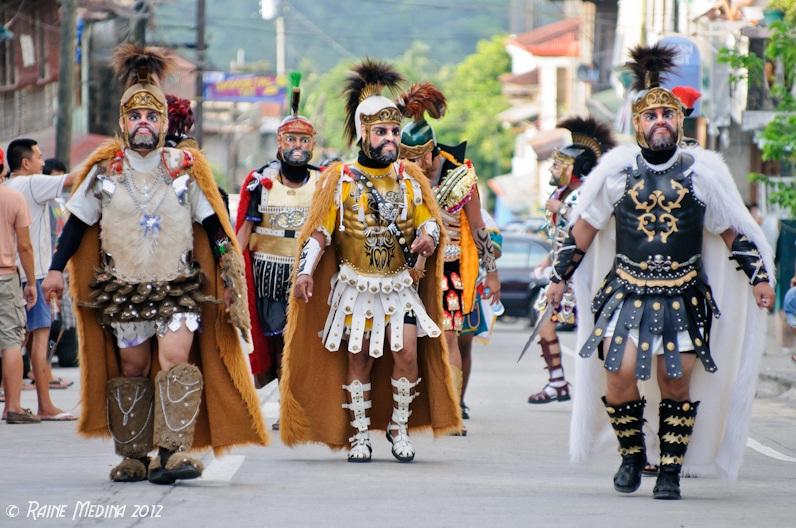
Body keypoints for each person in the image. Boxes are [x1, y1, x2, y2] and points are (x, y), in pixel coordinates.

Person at [548, 43, 775, 500]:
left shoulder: (701, 176)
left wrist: (759, 278)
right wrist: (558, 280)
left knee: (675, 381)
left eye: (667, 116)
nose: (660, 123)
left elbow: (731, 232)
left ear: (679, 123)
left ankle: (670, 470)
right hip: (626, 291)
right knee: (619, 370)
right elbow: (583, 232)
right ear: (638, 125)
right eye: (651, 117)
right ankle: (632, 455)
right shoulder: (615, 175)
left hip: (684, 295)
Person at [41, 44, 267, 484]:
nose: (143, 124)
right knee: (133, 368)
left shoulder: (185, 169)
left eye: (151, 117)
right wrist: (54, 268)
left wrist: (229, 271)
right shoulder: (104, 172)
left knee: (175, 357)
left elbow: (216, 227)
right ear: (123, 123)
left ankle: (173, 451)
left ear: (164, 122)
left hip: (176, 285)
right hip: (123, 287)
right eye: (135, 117)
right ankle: (134, 455)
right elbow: (75, 226)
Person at [279, 60, 460, 463]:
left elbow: (428, 222)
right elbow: (320, 233)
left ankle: (399, 427)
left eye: (394, 131)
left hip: (399, 285)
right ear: (364, 134)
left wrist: (429, 239)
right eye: (381, 132)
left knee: (407, 354)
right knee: (359, 355)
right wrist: (306, 272)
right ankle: (360, 434)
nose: (390, 139)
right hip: (356, 285)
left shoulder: (411, 180)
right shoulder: (338, 180)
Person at [397, 81, 501, 430]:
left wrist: (492, 272)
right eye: (406, 158)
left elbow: (478, 228)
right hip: (408, 266)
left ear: (432, 150)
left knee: (449, 337)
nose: (414, 165)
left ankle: (453, 412)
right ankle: (407, 409)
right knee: (403, 336)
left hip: (452, 266)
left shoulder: (461, 178)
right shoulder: (401, 175)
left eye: (418, 158)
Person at [235, 73, 320, 431]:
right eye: (291, 139)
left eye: (304, 140)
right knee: (280, 343)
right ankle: (289, 406)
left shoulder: (323, 182)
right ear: (279, 144)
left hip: (308, 273)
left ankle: (299, 406)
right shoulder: (260, 182)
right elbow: (242, 233)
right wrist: (230, 266)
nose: (298, 146)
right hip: (268, 275)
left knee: (302, 342)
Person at [527, 117, 615, 405]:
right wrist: (549, 259)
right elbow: (561, 237)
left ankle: (605, 385)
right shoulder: (559, 193)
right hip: (564, 272)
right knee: (545, 322)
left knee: (597, 333)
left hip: (587, 272)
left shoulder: (586, 194)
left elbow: (585, 228)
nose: (553, 169)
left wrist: (563, 208)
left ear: (573, 169)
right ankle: (557, 382)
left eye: (557, 165)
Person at [4, 139, 76, 420]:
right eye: (39, 156)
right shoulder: (33, 182)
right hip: (33, 273)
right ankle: (45, 404)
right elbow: (73, 179)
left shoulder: (8, 188)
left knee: (15, 339)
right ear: (25, 163)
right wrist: (108, 159)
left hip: (14, 274)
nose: (43, 162)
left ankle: (13, 403)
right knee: (39, 338)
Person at [1, 147, 39, 423]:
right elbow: (24, 246)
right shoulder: (14, 199)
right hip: (5, 277)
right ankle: (13, 406)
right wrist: (30, 282)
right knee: (11, 341)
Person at [458, 209, 503, 418]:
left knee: (463, 345)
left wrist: (490, 271)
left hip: (466, 284)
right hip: (430, 281)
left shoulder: (475, 210)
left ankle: (457, 401)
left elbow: (494, 245)